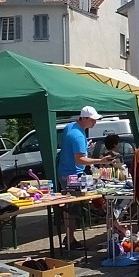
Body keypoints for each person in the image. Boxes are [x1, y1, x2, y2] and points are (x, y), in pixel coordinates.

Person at [56, 106, 116, 251]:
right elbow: (80, 160)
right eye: (93, 120)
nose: (95, 123)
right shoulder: (77, 136)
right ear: (86, 119)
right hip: (72, 176)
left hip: (68, 173)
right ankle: (70, 240)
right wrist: (101, 161)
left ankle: (69, 238)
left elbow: (74, 150)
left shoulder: (71, 127)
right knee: (72, 208)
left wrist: (85, 146)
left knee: (73, 206)